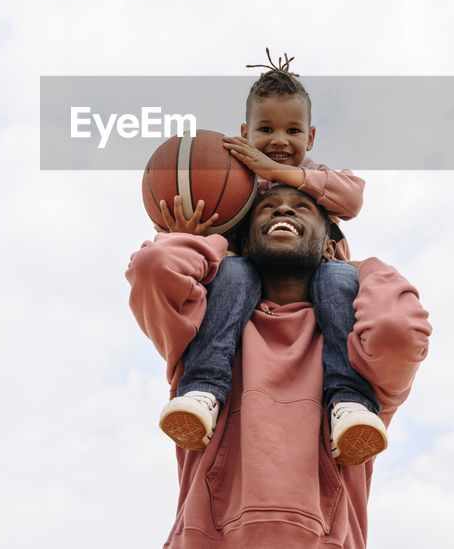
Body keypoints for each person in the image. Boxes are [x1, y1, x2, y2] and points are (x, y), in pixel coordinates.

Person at [127, 185, 431, 548]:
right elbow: (153, 269)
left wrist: (366, 269)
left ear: (329, 246)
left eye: (301, 207)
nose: (283, 211)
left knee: (356, 400)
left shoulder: (357, 355)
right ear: (245, 241)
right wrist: (205, 243)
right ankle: (205, 392)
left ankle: (343, 405)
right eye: (267, 208)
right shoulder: (204, 334)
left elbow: (398, 331)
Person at [151, 51, 382, 465]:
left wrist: (280, 174)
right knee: (235, 270)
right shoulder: (233, 177)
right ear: (245, 131)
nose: (279, 140)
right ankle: (203, 389)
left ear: (310, 138)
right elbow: (213, 238)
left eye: (293, 130)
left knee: (337, 280)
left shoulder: (314, 174)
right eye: (266, 128)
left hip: (315, 283)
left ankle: (349, 403)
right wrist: (183, 233)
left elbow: (352, 198)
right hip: (249, 289)